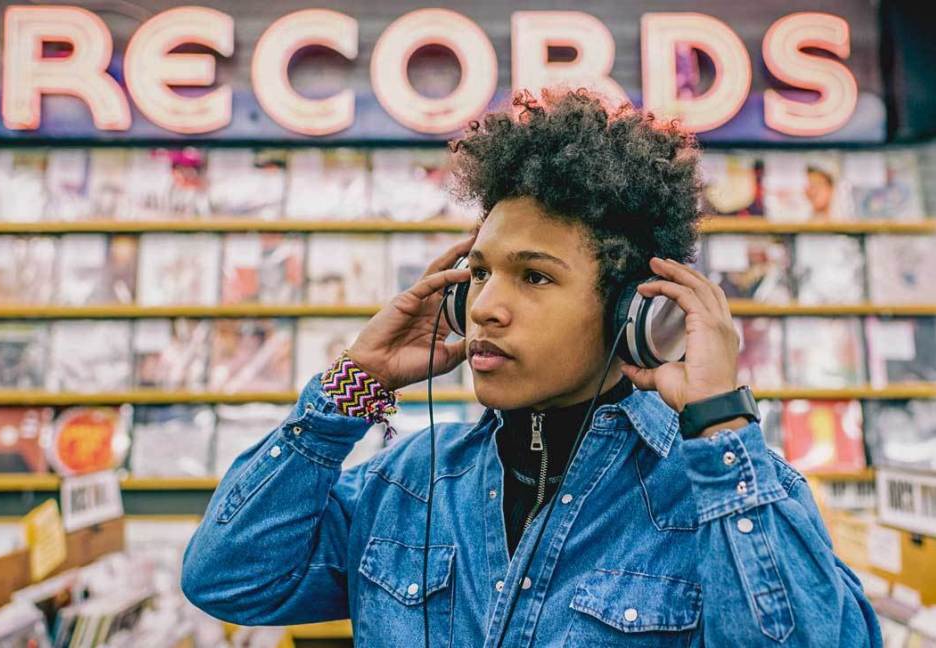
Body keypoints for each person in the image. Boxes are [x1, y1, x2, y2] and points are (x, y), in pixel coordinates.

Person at [182, 89, 881, 646]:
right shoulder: (405, 484)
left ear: (633, 313)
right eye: (479, 273)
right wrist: (345, 393)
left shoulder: (720, 498)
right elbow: (228, 581)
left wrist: (717, 428)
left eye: (534, 277)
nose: (486, 306)